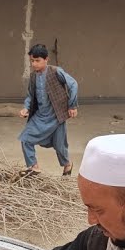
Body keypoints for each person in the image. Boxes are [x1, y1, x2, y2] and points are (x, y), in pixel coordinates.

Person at [19, 43, 80, 176]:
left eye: (37, 60)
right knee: (25, 139)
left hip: (56, 116)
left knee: (60, 145)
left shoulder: (56, 71)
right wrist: (26, 108)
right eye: (32, 61)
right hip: (40, 117)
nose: (34, 64)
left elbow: (73, 84)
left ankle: (67, 166)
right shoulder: (33, 76)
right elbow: (30, 95)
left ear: (46, 59)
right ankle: (33, 166)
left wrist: (72, 105)